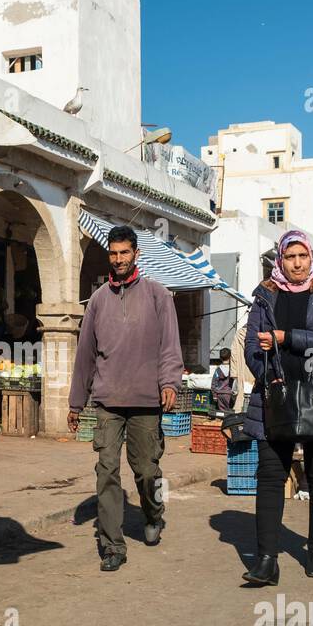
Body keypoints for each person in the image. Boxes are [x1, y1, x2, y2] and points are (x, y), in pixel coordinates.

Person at [241, 230, 313, 584]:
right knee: (270, 477)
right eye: (289, 257)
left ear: (310, 257)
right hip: (275, 399)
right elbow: (249, 346)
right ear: (280, 260)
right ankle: (266, 560)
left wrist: (286, 338)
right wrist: (268, 373)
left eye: (302, 256)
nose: (296, 263)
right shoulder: (265, 295)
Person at [68, 225, 181, 573]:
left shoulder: (158, 295)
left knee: (148, 472)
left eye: (124, 253)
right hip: (107, 402)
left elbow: (170, 346)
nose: (118, 260)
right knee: (106, 472)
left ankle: (155, 513)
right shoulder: (99, 300)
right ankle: (112, 545)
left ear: (136, 255)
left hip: (146, 401)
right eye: (113, 254)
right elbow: (85, 353)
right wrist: (76, 403)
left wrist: (170, 383)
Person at [211, 347, 239, 413]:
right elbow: (236, 382)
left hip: (220, 394)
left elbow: (214, 383)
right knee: (229, 413)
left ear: (220, 358)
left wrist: (214, 396)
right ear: (230, 357)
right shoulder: (233, 370)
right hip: (229, 395)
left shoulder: (218, 370)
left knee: (222, 413)